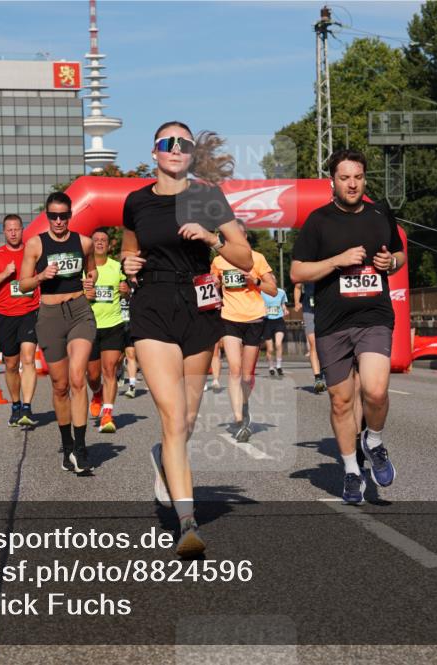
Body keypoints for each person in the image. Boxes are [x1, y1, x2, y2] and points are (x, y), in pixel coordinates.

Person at [121, 121, 252, 557]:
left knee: (188, 420)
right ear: (155, 151)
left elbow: (244, 256)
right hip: (153, 305)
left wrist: (212, 238)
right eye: (167, 143)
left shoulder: (208, 198)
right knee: (174, 415)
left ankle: (163, 455)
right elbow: (128, 250)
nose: (175, 149)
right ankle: (187, 524)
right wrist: (128, 266)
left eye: (184, 144)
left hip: (198, 305)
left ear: (192, 154)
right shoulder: (136, 201)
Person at [290, 148, 405, 504]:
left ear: (364, 179)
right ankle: (352, 471)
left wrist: (390, 261)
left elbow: (400, 256)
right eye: (344, 178)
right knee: (342, 402)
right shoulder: (318, 221)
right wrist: (338, 260)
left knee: (375, 391)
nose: (352, 184)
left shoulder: (379, 213)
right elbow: (297, 272)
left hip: (373, 317)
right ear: (333, 182)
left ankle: (373, 439)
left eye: (357, 177)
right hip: (333, 323)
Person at [18, 192, 97, 473]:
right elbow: (23, 284)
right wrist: (40, 277)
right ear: (47, 216)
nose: (59, 220)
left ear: (70, 215)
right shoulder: (35, 245)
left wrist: (90, 283)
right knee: (60, 386)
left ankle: (81, 447)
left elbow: (92, 271)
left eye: (64, 215)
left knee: (78, 378)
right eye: (53, 216)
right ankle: (67, 445)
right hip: (49, 316)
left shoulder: (84, 242)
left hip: (79, 312)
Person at [211, 219, 278, 442]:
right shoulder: (219, 260)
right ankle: (239, 418)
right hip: (229, 317)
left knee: (247, 376)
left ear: (245, 237)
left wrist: (255, 280)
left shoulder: (256, 259)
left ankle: (245, 405)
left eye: (237, 236)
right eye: (229, 237)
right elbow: (214, 288)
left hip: (255, 318)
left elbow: (272, 288)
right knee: (235, 370)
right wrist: (213, 284)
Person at [0, 215, 41, 426]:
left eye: (17, 229)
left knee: (28, 358)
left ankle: (27, 407)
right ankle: (15, 404)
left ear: (23, 230)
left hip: (29, 311)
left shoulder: (32, 252)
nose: (13, 233)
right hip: (5, 315)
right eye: (9, 229)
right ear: (4, 232)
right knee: (12, 364)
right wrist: (5, 274)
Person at [86, 228, 128, 434]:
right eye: (96, 240)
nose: (100, 243)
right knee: (93, 375)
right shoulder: (85, 268)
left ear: (109, 245)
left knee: (109, 369)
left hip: (113, 324)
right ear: (91, 244)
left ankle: (107, 415)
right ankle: (97, 392)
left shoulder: (117, 267)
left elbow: (126, 290)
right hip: (89, 326)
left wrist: (126, 291)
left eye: (103, 240)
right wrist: (85, 294)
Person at [294, 281, 326, 393]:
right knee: (313, 344)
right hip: (309, 310)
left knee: (326, 343)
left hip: (327, 310)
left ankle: (325, 371)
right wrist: (297, 302)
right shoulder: (307, 267)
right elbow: (298, 286)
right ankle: (318, 378)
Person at [262, 285, 289, 377]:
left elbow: (283, 305)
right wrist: (262, 310)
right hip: (267, 322)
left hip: (279, 321)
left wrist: (285, 310)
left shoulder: (281, 292)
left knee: (278, 344)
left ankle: (279, 366)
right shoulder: (261, 292)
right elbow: (257, 304)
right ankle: (271, 367)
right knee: (270, 349)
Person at [120, 285, 139, 398]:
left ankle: (132, 386)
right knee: (117, 359)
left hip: (130, 325)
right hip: (116, 324)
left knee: (131, 355)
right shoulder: (115, 281)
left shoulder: (136, 285)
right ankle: (119, 370)